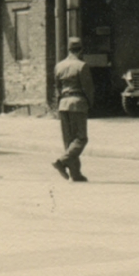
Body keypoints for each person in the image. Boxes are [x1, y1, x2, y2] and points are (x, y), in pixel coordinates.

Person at [52, 36, 94, 182]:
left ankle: (75, 174)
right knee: (81, 138)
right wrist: (90, 103)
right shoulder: (82, 66)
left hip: (63, 104)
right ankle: (61, 161)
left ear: (69, 49)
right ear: (80, 50)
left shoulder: (59, 66)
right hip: (78, 103)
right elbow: (88, 88)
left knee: (69, 141)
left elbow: (57, 88)